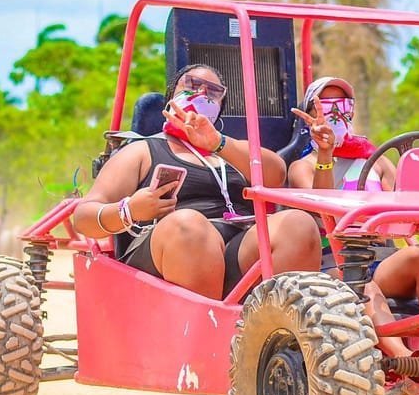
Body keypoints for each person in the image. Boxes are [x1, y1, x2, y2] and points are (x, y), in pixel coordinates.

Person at [74, 64, 320, 300]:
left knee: (298, 224)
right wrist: (129, 210)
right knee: (189, 226)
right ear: (171, 98)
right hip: (171, 250)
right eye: (191, 85)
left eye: (213, 92)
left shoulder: (229, 150)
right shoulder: (143, 150)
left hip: (235, 245)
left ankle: (278, 331)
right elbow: (83, 217)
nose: (202, 94)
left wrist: (218, 144)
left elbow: (275, 174)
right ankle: (203, 336)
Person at [289, 77, 419, 395]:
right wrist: (326, 152)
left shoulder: (376, 161)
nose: (336, 114)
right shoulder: (302, 167)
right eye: (327, 106)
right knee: (362, 282)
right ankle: (405, 363)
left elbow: (406, 209)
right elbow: (325, 208)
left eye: (344, 106)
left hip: (381, 256)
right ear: (310, 114)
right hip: (333, 262)